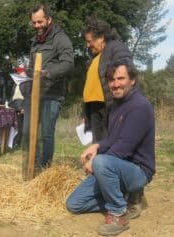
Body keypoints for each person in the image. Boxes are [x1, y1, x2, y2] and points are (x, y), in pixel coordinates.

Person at [66, 60, 155, 236]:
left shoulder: (140, 106)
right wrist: (96, 145)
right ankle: (127, 198)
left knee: (101, 162)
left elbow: (124, 148)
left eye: (120, 78)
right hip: (116, 167)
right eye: (111, 80)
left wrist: (96, 161)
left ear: (133, 80)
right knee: (74, 204)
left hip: (138, 170)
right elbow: (113, 139)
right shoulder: (116, 105)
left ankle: (118, 214)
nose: (115, 84)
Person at [82, 17, 145, 218]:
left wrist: (125, 106)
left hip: (110, 109)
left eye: (89, 40)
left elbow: (126, 69)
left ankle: (134, 197)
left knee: (120, 149)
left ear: (100, 37)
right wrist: (87, 114)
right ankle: (108, 192)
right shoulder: (96, 57)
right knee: (100, 150)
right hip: (96, 110)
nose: (87, 44)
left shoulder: (116, 47)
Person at [23, 3, 74, 175]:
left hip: (52, 94)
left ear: (49, 19)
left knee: (46, 134)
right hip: (35, 92)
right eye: (34, 23)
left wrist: (48, 73)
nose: (37, 26)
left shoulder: (60, 38)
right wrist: (26, 72)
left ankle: (44, 171)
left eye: (40, 22)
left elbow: (68, 63)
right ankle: (32, 167)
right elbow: (33, 66)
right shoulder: (35, 41)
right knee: (29, 132)